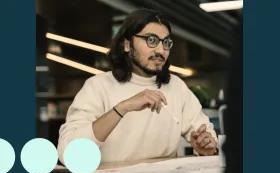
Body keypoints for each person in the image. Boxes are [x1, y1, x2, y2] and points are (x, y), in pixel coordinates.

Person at [57, 9, 218, 163]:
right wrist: (122, 108)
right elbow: (68, 152)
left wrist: (207, 146)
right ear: (127, 45)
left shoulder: (176, 87)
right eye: (151, 40)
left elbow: (207, 136)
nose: (161, 50)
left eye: (166, 42)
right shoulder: (98, 86)